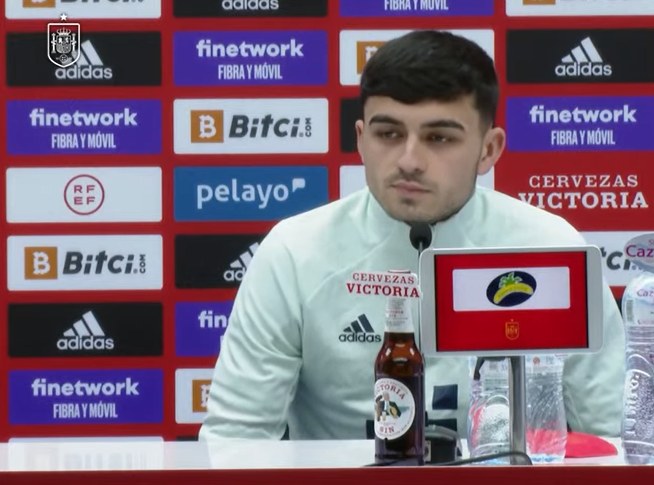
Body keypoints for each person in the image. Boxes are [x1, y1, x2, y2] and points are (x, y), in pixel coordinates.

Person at [198, 30, 625, 442]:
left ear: (488, 150)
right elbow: (235, 440)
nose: (409, 160)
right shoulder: (294, 252)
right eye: (389, 134)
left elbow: (614, 437)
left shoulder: (552, 249)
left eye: (439, 138)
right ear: (361, 140)